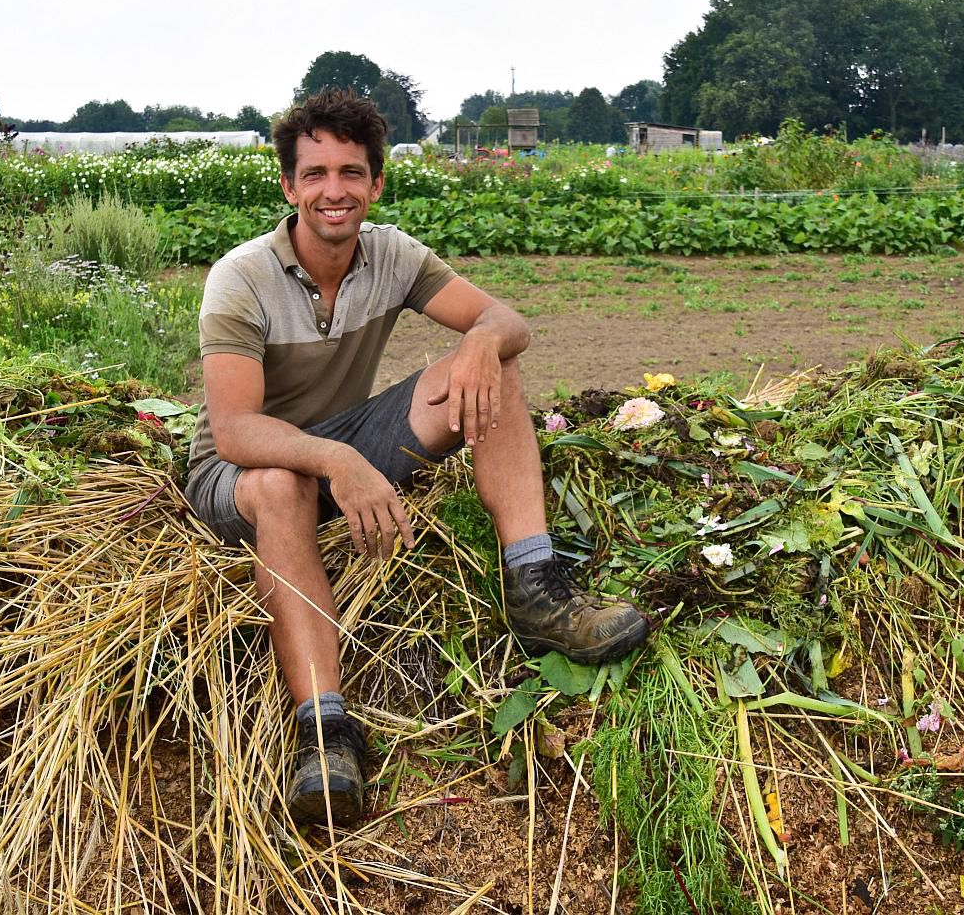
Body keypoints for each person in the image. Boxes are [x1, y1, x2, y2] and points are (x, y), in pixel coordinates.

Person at [184, 89, 649, 827]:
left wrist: (479, 343)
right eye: (315, 174)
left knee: (491, 364)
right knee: (279, 485)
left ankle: (534, 585)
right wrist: (338, 461)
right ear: (288, 186)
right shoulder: (242, 279)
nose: (333, 191)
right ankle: (324, 730)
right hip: (241, 475)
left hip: (337, 442)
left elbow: (508, 321)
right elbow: (237, 430)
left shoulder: (392, 253)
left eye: (350, 172)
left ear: (375, 182)